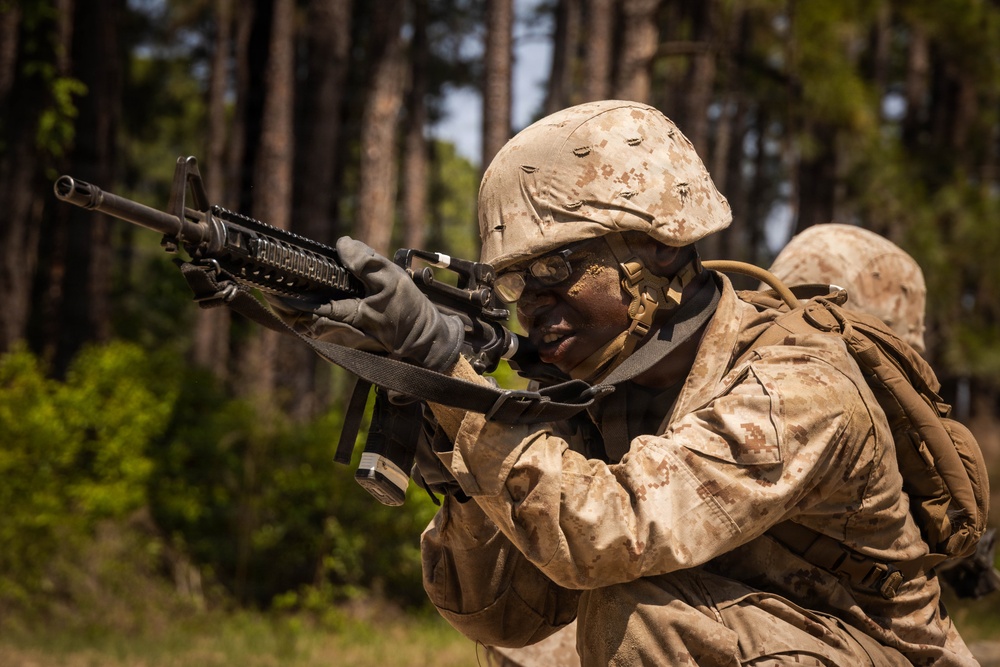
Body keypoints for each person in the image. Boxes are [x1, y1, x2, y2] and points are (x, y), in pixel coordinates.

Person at [273, 101, 979, 665]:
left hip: (880, 652)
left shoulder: (798, 385)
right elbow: (502, 617)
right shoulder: (603, 392)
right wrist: (458, 458)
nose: (531, 303)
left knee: (639, 617)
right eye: (515, 280)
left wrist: (452, 379)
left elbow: (610, 532)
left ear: (656, 249)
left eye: (556, 269)